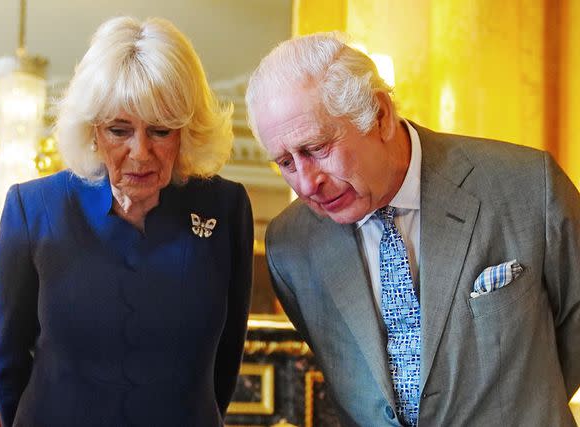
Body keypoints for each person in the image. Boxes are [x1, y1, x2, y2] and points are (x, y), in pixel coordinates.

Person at [245, 33, 580, 426]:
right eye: (285, 162)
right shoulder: (291, 244)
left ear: (380, 115)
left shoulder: (525, 186)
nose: (305, 183)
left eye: (317, 148)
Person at [0, 16, 253, 427]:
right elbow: (7, 365)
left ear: (186, 132)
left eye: (161, 131)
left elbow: (226, 360)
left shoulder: (226, 207)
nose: (140, 152)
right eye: (119, 130)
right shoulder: (33, 208)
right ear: (93, 130)